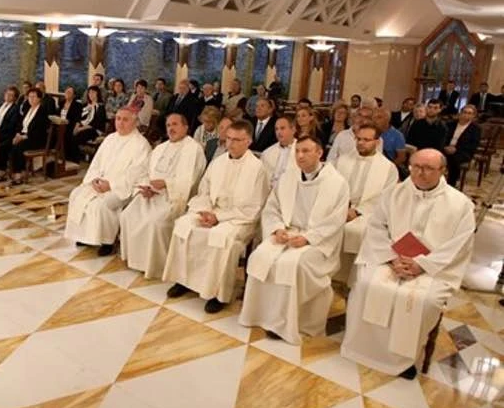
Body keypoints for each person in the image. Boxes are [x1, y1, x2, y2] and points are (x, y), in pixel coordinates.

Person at [341, 149, 475, 379]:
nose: (420, 173)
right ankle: (362, 347)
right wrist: (391, 257)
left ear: (443, 170)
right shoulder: (393, 193)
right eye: (415, 167)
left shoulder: (460, 204)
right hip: (391, 258)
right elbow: (376, 227)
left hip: (433, 268)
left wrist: (421, 264)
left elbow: (459, 245)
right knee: (365, 285)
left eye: (428, 168)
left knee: (424, 300)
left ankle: (403, 360)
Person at [240, 136, 349, 343]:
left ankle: (284, 322)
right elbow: (272, 207)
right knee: (260, 256)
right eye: (297, 151)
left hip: (317, 242)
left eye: (306, 151)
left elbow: (334, 222)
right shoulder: (289, 177)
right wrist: (277, 228)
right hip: (287, 232)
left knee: (292, 264)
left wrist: (307, 238)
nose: (300, 155)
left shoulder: (337, 183)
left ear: (319, 153)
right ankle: (260, 315)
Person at [162, 120, 269, 312]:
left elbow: (255, 206)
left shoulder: (257, 169)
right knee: (184, 225)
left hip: (239, 219)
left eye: (237, 140)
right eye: (228, 139)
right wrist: (205, 211)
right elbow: (203, 192)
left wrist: (218, 217)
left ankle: (218, 293)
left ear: (249, 141)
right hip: (210, 211)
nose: (231, 144)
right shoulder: (218, 162)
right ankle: (184, 280)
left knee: (221, 238)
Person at [119, 114, 205, 279]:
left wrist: (166, 184)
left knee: (154, 223)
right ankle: (134, 259)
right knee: (127, 215)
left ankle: (155, 265)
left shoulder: (193, 149)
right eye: (168, 125)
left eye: (175, 124)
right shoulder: (160, 148)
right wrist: (146, 187)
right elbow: (145, 172)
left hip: (172, 198)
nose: (171, 129)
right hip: (151, 195)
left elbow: (190, 181)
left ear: (186, 127)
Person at [64, 109, 151, 256]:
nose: (120, 123)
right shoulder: (110, 138)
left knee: (101, 205)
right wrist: (94, 180)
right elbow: (96, 163)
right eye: (118, 119)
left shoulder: (141, 144)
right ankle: (86, 236)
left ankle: (107, 241)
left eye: (125, 120)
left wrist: (111, 185)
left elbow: (137, 173)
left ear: (135, 122)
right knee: (76, 195)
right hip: (100, 182)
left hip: (122, 187)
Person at [334, 123, 399, 282]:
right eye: (358, 139)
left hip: (368, 213)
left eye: (366, 140)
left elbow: (385, 198)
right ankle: (331, 276)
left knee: (361, 232)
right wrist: (342, 208)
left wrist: (357, 211)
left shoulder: (388, 168)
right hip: (339, 208)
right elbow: (332, 186)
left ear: (377, 142)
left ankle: (353, 281)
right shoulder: (342, 160)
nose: (361, 143)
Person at [8, 88, 51, 185]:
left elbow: (38, 131)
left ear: (39, 98)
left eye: (33, 97)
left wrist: (22, 137)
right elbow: (21, 125)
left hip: (36, 138)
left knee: (19, 146)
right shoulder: (28, 108)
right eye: (29, 97)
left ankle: (19, 173)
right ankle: (15, 171)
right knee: (10, 143)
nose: (31, 99)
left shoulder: (42, 111)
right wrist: (18, 134)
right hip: (24, 135)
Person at [443, 104, 481, 185]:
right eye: (464, 112)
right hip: (446, 148)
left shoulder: (475, 129)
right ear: (460, 113)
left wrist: (455, 149)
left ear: (473, 116)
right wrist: (445, 146)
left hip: (463, 152)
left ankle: (451, 183)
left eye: (469, 113)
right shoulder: (450, 124)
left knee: (452, 159)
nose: (466, 115)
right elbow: (443, 137)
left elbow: (473, 145)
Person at [0, 86, 21, 181]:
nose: (7, 96)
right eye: (7, 94)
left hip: (7, 135)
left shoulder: (15, 109)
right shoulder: (2, 105)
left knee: (1, 146)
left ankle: (1, 170)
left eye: (11, 95)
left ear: (15, 98)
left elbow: (11, 126)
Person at [260, 114, 298, 188]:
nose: (279, 132)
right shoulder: (267, 153)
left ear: (293, 130)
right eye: (276, 129)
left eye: (282, 128)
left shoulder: (302, 151)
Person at [71, 86, 107, 161]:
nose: (91, 94)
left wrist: (81, 129)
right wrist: (76, 127)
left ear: (97, 94)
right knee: (69, 133)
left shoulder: (100, 107)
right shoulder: (85, 106)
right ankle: (70, 156)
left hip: (94, 129)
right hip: (82, 127)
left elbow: (96, 123)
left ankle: (75, 159)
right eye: (89, 93)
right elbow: (78, 118)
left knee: (78, 137)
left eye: (93, 93)